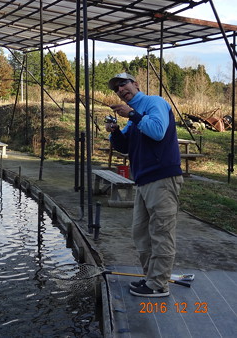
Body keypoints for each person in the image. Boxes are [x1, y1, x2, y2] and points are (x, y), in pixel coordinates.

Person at [105, 72, 184, 298]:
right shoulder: (133, 117)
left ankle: (159, 285)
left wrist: (133, 114)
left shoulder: (154, 103)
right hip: (142, 180)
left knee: (161, 233)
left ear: (136, 84)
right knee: (141, 233)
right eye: (116, 88)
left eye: (123, 84)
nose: (120, 90)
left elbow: (158, 132)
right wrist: (115, 131)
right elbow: (125, 147)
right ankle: (151, 279)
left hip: (162, 178)